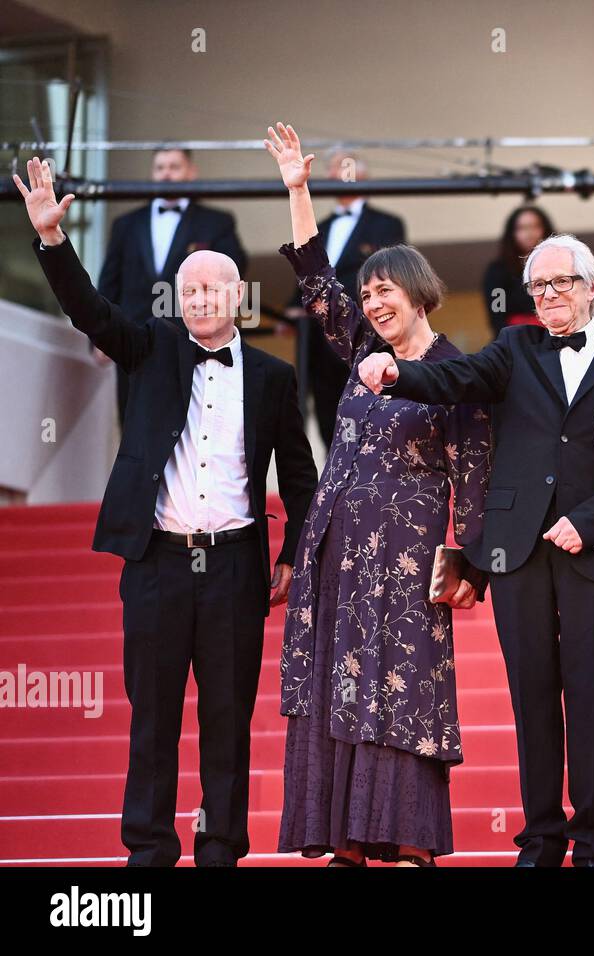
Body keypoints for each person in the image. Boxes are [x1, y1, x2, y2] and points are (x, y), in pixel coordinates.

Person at [14, 155, 317, 866]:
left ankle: (220, 844)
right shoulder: (148, 348)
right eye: (191, 290)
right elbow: (88, 308)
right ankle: (149, 847)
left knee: (226, 721)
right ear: (177, 300)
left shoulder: (274, 377)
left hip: (236, 566)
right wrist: (53, 243)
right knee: (151, 718)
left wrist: (291, 554)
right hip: (157, 563)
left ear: (238, 296)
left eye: (216, 288)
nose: (204, 299)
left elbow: (300, 479)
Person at [357, 232, 594, 867]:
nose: (550, 295)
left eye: (563, 283)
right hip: (516, 550)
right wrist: (399, 373)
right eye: (539, 285)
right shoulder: (514, 348)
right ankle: (541, 840)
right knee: (532, 697)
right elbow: (455, 377)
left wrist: (591, 521)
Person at [263, 124, 491, 867]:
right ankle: (344, 841)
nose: (372, 301)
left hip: (407, 557)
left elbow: (474, 471)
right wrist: (300, 189)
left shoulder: (457, 371)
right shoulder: (362, 352)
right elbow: (315, 280)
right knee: (337, 680)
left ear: (417, 292)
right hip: (337, 547)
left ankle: (410, 837)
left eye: (384, 289)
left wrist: (467, 558)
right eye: (368, 294)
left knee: (403, 689)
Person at [99, 147, 247, 426]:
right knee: (134, 421)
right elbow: (109, 281)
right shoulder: (125, 224)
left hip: (192, 338)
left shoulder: (216, 222)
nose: (166, 173)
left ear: (191, 173)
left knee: (189, 423)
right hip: (133, 337)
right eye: (160, 167)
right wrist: (101, 336)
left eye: (174, 167)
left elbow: (234, 272)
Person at [282, 151, 407, 448]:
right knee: (328, 411)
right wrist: (292, 309)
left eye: (342, 169)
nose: (334, 176)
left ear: (360, 175)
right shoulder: (320, 225)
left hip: (362, 331)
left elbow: (387, 273)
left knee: (369, 403)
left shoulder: (386, 224)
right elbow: (309, 273)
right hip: (319, 339)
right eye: (331, 170)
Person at [481, 205, 554, 335]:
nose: (529, 233)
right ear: (512, 233)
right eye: (522, 228)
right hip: (515, 339)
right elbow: (497, 313)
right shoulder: (498, 272)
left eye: (535, 226)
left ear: (545, 230)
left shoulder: (561, 266)